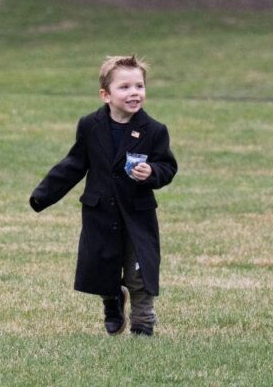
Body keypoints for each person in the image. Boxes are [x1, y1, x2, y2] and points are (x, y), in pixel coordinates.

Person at [29, 55, 177, 336]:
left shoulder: (155, 130)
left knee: (139, 270)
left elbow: (168, 166)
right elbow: (74, 164)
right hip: (100, 211)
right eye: (125, 87)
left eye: (139, 86)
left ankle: (143, 322)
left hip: (137, 213)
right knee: (102, 263)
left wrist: (153, 172)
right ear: (105, 95)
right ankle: (112, 302)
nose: (134, 92)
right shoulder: (90, 125)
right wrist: (43, 195)